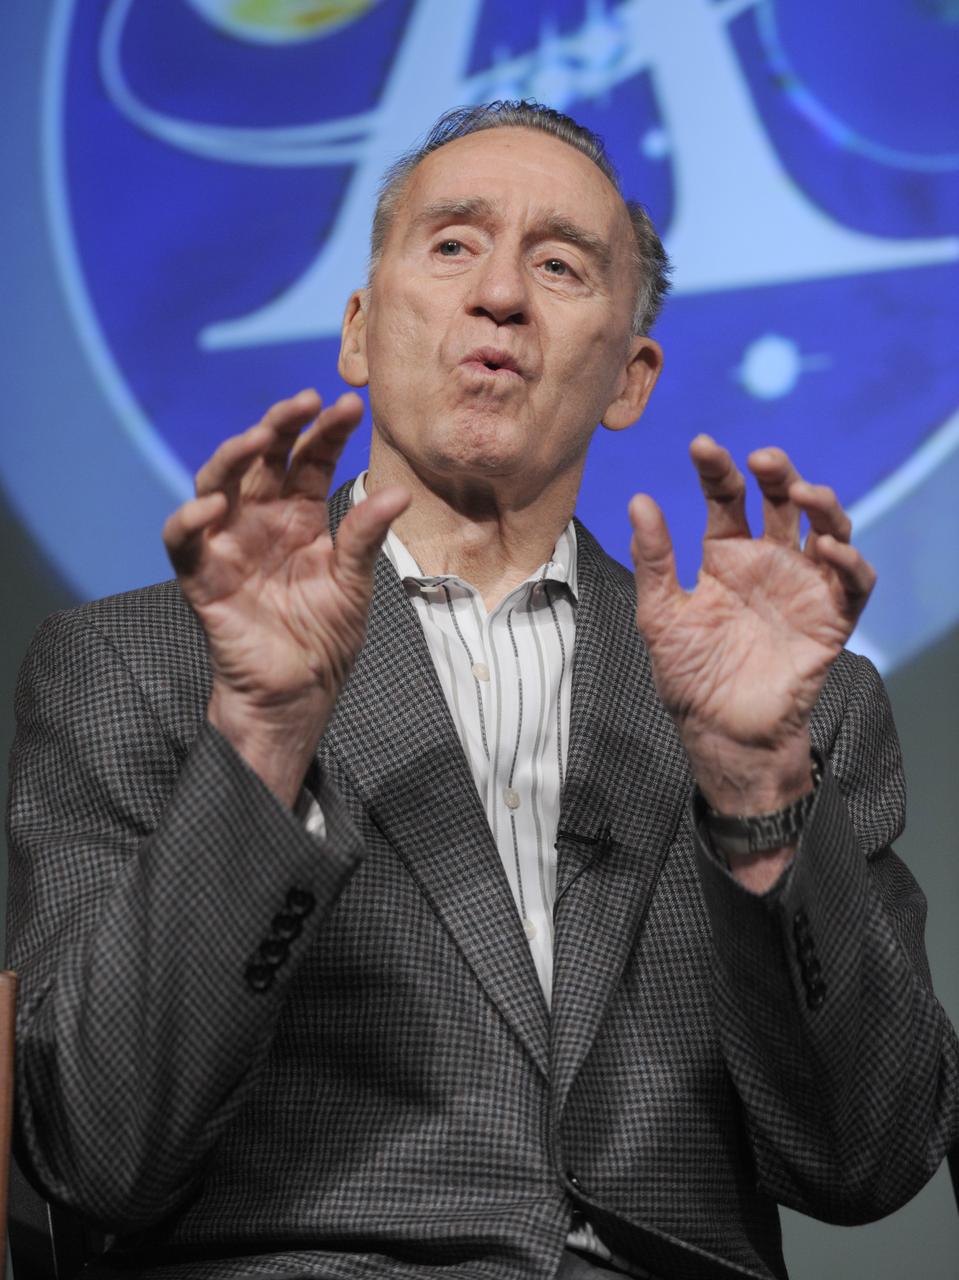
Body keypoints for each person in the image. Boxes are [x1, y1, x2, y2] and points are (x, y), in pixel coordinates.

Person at [6, 102, 957, 1280]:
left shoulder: (780, 704)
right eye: (451, 243)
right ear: (358, 330)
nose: (498, 294)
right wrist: (261, 737)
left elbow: (865, 1161)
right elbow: (94, 1151)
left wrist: (757, 794)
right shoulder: (139, 665)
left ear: (629, 374)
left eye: (558, 264)